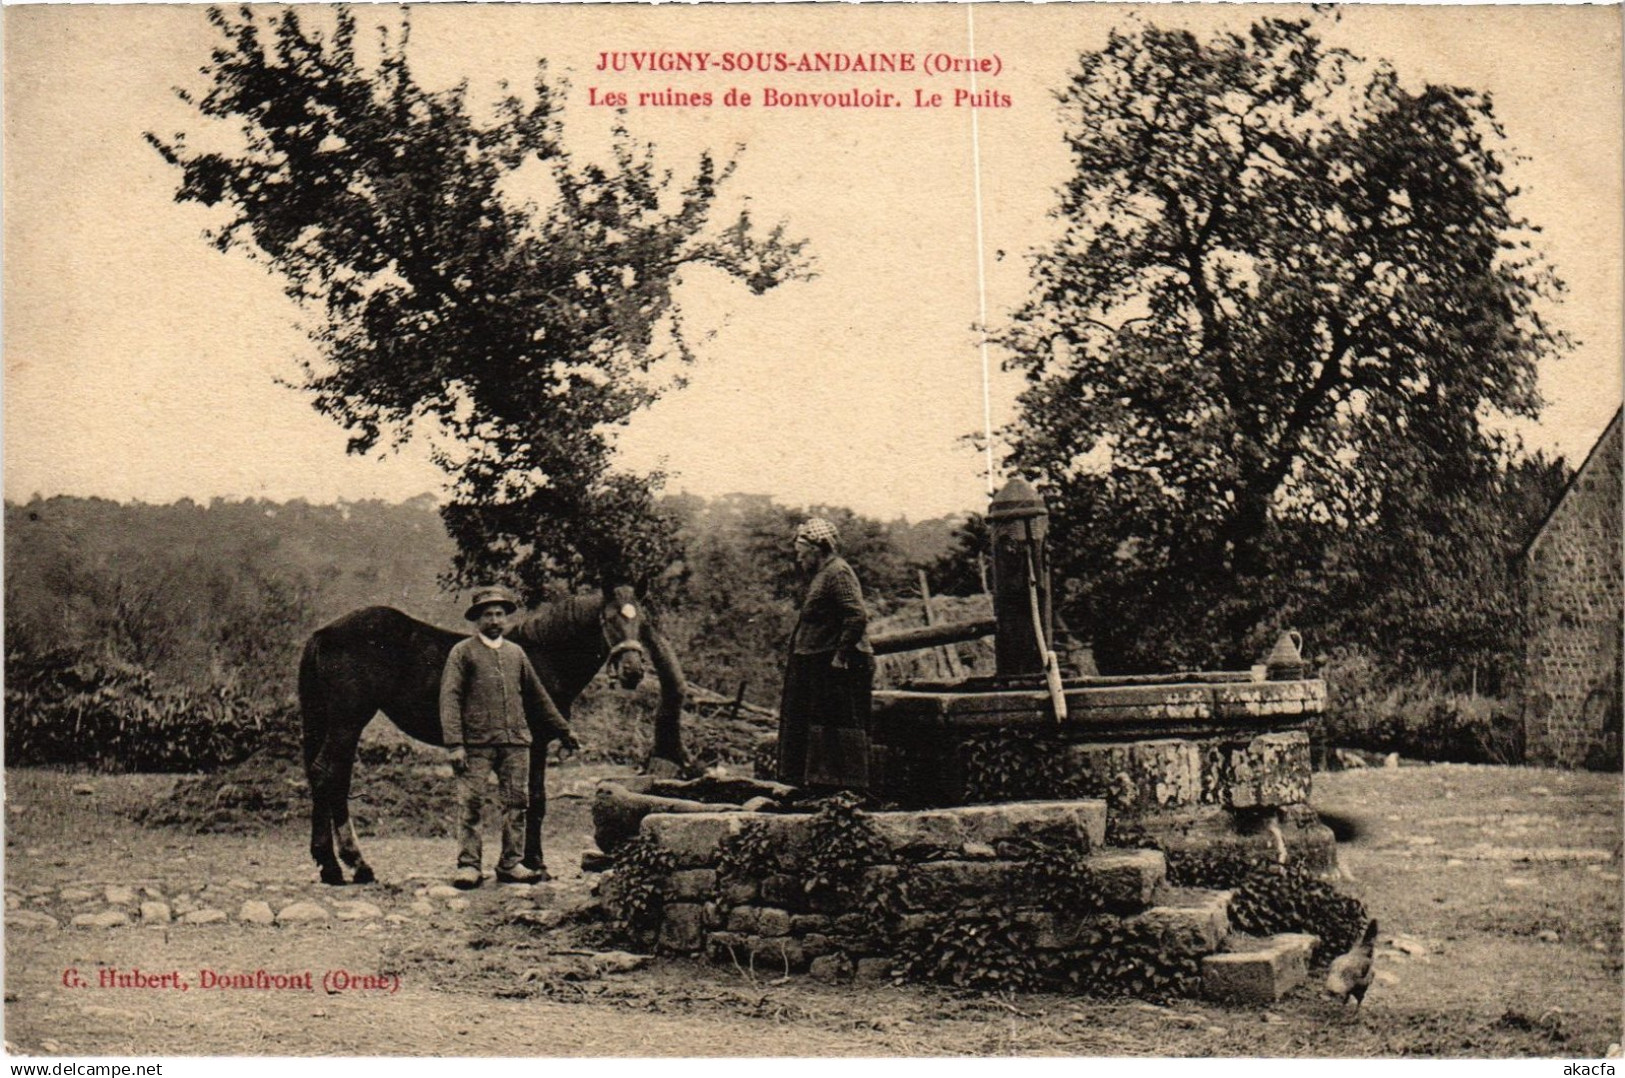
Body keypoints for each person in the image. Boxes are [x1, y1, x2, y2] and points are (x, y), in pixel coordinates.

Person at [439, 585, 579, 887]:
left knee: (516, 804)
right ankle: (469, 866)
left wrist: (564, 731)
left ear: (506, 619)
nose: (494, 620)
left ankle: (511, 863)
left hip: (516, 742)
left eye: (499, 614)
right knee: (471, 804)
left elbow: (539, 697)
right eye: (487, 614)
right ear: (477, 619)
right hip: (477, 744)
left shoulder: (517, 654)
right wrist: (454, 744)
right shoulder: (462, 653)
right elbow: (449, 699)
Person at [777, 518, 875, 791]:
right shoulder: (824, 574)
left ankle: (842, 790)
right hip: (815, 660)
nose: (798, 557)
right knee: (813, 724)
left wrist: (840, 657)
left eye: (801, 550)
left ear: (816, 549)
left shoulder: (838, 573)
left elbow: (856, 616)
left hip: (834, 664)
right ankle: (815, 785)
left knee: (837, 725)